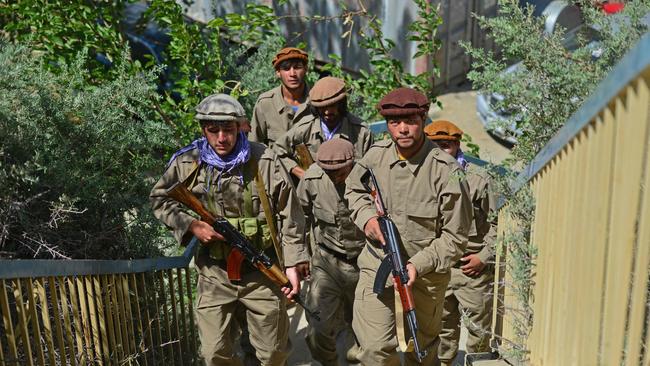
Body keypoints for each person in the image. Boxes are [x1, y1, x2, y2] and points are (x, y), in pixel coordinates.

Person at [150, 94, 310, 366]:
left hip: (262, 272)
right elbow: (159, 198)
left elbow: (291, 215)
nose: (221, 137)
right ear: (204, 130)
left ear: (240, 127)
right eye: (213, 131)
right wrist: (191, 224)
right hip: (215, 273)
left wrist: (293, 264)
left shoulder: (264, 161)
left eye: (228, 130)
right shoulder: (189, 162)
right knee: (215, 353)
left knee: (273, 354)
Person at [344, 88, 472, 365]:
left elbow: (455, 237)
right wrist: (367, 218)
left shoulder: (446, 172)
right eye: (394, 122)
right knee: (375, 350)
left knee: (421, 352)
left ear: (424, 118)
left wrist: (419, 265)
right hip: (377, 265)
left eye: (410, 121)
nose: (402, 129)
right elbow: (354, 190)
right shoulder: (374, 158)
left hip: (425, 278)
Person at [424, 120, 497, 366]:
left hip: (471, 268)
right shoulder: (423, 178)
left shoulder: (478, 179)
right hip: (440, 267)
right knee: (442, 325)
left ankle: (475, 363)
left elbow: (496, 225)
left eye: (445, 146)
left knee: (478, 328)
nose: (440, 151)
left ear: (456, 145)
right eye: (434, 146)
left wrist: (483, 258)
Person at [296, 138, 365, 365]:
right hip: (327, 260)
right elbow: (298, 220)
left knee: (368, 331)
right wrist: (299, 257)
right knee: (318, 327)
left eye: (340, 171)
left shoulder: (370, 177)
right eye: (328, 171)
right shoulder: (312, 178)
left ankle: (356, 357)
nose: (334, 175)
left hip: (365, 263)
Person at [274, 76, 373, 180]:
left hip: (350, 192)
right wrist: (301, 173)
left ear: (341, 104)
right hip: (316, 192)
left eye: (333, 106)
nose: (327, 112)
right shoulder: (305, 128)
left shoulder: (361, 132)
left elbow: (371, 169)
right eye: (323, 107)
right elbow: (278, 149)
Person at [249, 47, 311, 146]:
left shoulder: (317, 101)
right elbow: (254, 145)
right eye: (286, 69)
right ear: (278, 72)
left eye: (297, 67)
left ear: (306, 69)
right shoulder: (266, 103)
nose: (292, 74)